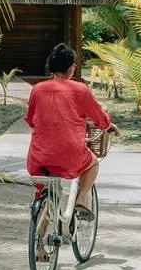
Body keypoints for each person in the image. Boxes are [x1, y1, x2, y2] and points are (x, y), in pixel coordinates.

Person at [26, 44, 117, 252]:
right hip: (70, 154)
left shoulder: (38, 90)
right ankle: (82, 198)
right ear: (72, 68)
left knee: (45, 193)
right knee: (92, 162)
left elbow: (31, 120)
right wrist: (108, 125)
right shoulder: (80, 90)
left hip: (39, 158)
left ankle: (38, 247)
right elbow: (100, 118)